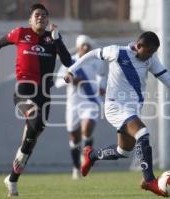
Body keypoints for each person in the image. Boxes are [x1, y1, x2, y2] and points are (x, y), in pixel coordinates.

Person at [64, 31, 170, 197]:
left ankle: (91, 155)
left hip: (132, 110)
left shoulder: (151, 58)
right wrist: (71, 70)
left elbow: (168, 81)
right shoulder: (116, 52)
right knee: (143, 132)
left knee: (123, 151)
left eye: (154, 52)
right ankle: (149, 181)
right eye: (149, 51)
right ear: (139, 46)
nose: (151, 55)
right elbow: (92, 54)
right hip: (115, 107)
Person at [0, 3, 72, 197]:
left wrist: (58, 40)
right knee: (34, 118)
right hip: (23, 91)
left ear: (48, 20)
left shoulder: (52, 40)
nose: (40, 18)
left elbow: (68, 62)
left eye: (44, 15)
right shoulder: (20, 33)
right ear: (30, 19)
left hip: (44, 93)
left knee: (33, 138)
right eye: (37, 15)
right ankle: (30, 125)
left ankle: (12, 180)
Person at [55, 35, 107, 179]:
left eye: (88, 45)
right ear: (78, 47)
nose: (86, 48)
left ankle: (87, 156)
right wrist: (71, 79)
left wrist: (103, 88)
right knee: (74, 137)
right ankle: (76, 167)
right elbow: (59, 81)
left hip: (91, 101)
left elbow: (102, 78)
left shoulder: (96, 62)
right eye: (83, 45)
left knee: (87, 128)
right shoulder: (69, 62)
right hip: (73, 104)